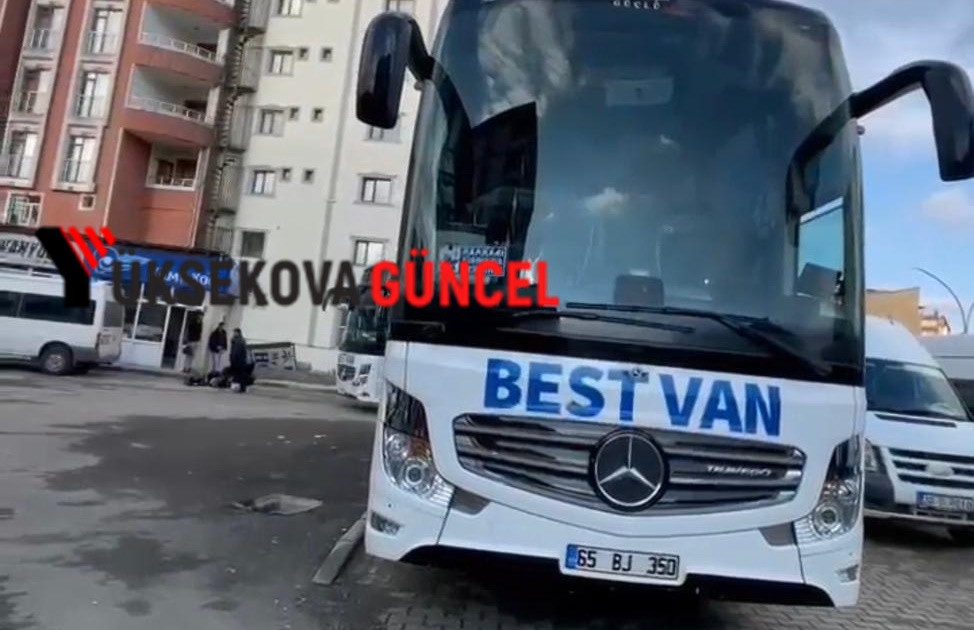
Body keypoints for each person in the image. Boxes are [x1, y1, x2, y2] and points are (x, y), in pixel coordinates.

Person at [228, 328, 254, 393]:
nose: (234, 333)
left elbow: (236, 351)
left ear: (238, 333)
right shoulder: (239, 340)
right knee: (240, 374)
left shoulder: (238, 341)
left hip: (238, 360)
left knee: (240, 374)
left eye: (235, 332)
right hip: (240, 360)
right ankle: (242, 387)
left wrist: (233, 359)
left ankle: (242, 387)